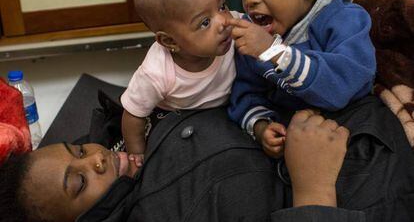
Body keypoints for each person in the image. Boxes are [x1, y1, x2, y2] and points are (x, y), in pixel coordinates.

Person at [1, 95, 414, 222]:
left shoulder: (119, 147)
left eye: (78, 150)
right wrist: (314, 186)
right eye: (77, 184)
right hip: (388, 182)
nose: (94, 161)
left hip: (365, 114)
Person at [226, 0, 376, 158]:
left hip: (349, 130)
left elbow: (343, 84)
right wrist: (261, 126)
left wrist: (274, 52)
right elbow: (246, 93)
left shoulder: (347, 20)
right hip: (293, 138)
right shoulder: (255, 39)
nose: (251, 0)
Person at [120, 0, 235, 165]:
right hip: (180, 120)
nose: (224, 21)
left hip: (227, 112)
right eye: (205, 22)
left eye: (222, 6)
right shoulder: (155, 73)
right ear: (170, 41)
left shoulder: (235, 29)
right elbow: (133, 115)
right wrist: (137, 155)